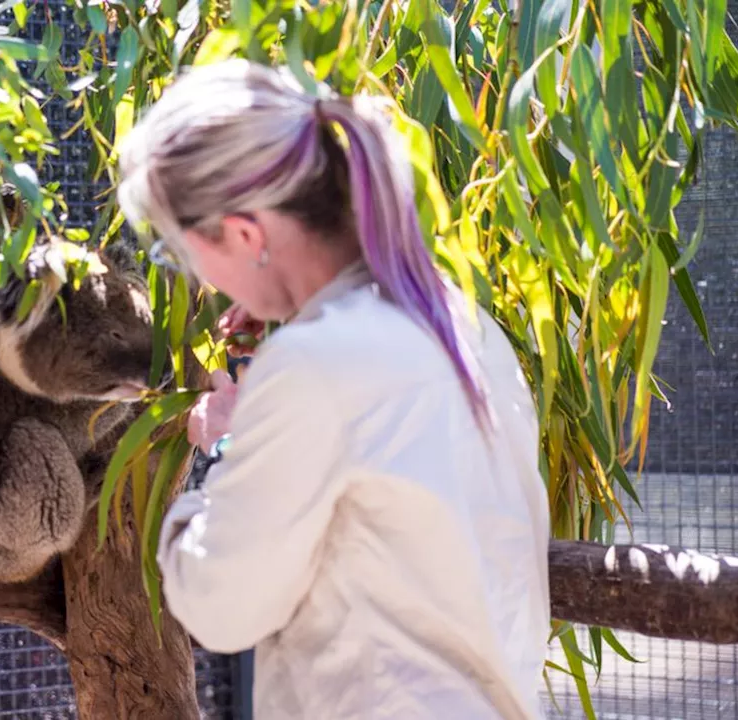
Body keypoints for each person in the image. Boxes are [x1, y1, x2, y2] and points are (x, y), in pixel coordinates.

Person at [115, 59, 552, 719]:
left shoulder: (313, 368)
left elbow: (221, 606)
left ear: (243, 234)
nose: (202, 277)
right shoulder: (464, 328)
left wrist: (226, 440)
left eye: (184, 251)